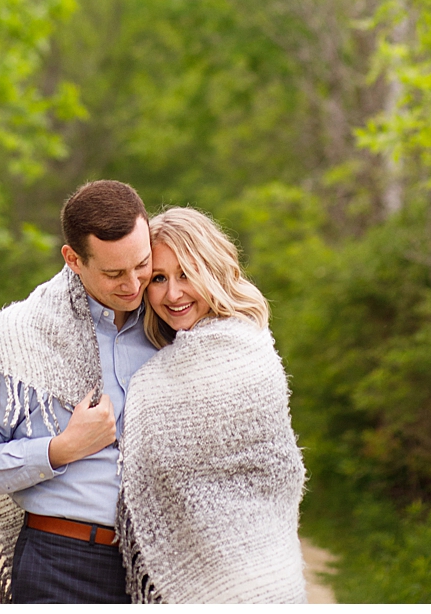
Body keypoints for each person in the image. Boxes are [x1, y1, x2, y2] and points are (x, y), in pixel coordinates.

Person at [0, 179, 158, 603]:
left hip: (163, 566)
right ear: (73, 259)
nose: (133, 284)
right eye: (114, 273)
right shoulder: (19, 335)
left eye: (142, 264)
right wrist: (60, 449)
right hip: (61, 563)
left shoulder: (171, 323)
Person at [116, 207, 306, 604]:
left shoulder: (243, 349)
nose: (173, 294)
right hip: (198, 578)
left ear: (212, 270)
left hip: (256, 574)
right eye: (159, 279)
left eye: (186, 274)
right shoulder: (159, 360)